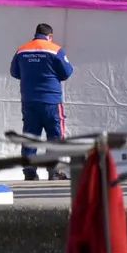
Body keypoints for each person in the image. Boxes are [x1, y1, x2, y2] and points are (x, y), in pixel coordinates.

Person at [10, 22, 75, 181]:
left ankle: (29, 171)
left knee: (30, 134)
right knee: (55, 134)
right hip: (51, 100)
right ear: (50, 36)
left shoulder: (22, 50)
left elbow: (14, 72)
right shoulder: (55, 50)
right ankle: (54, 170)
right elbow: (67, 72)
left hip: (29, 100)